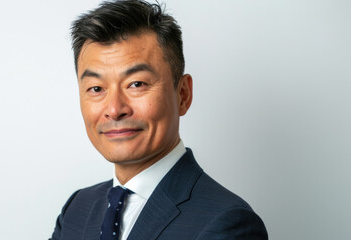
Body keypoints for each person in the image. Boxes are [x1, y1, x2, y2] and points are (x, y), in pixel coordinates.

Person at [50, 0, 268, 239]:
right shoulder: (76, 209)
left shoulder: (227, 223)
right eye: (96, 88)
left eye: (136, 84)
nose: (114, 109)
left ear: (183, 95)